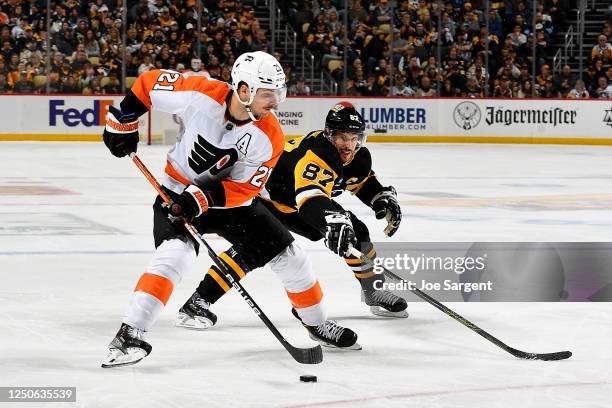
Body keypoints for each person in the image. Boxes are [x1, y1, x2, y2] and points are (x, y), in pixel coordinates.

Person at [100, 51, 357, 368]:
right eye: (267, 94)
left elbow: (245, 188)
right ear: (245, 90)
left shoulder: (270, 136)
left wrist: (202, 198)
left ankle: (316, 324)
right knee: (174, 255)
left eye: (278, 93)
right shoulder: (201, 92)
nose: (275, 102)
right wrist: (122, 122)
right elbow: (148, 83)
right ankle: (129, 336)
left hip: (228, 203)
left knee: (290, 256)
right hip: (176, 192)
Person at [176, 103, 407, 340]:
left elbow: (360, 182)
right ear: (329, 135)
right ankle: (198, 300)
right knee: (257, 248)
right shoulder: (318, 154)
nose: (348, 145)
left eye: (353, 138)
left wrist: (380, 198)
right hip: (263, 197)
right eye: (341, 137)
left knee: (356, 232)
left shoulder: (357, 156)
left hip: (296, 202)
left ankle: (373, 292)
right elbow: (311, 199)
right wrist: (332, 220)